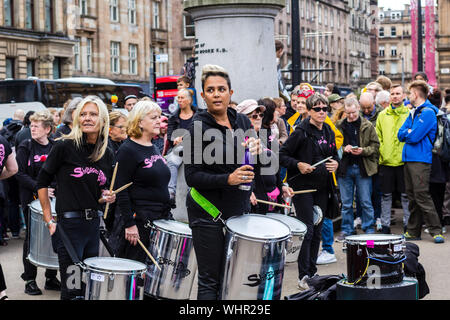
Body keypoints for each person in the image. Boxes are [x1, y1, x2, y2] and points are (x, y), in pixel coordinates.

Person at [184, 64, 262, 300]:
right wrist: (228, 179)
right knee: (211, 280)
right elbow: (192, 177)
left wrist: (258, 151)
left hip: (238, 209)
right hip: (207, 213)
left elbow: (250, 163)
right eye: (210, 90)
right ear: (203, 95)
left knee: (236, 277)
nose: (216, 94)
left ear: (231, 92)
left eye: (221, 89)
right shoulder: (196, 127)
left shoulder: (242, 121)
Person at [36, 95, 116, 300]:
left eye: (93, 114)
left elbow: (97, 193)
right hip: (69, 228)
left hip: (92, 228)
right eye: (83, 114)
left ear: (103, 119)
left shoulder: (106, 153)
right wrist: (48, 219)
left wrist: (106, 196)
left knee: (89, 285)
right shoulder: (65, 147)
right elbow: (42, 182)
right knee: (72, 288)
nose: (87, 118)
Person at [280, 93, 339, 290]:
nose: (322, 112)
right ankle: (303, 275)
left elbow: (334, 155)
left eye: (325, 109)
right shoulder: (300, 131)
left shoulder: (329, 130)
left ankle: (312, 272)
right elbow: (282, 155)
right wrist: (299, 164)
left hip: (322, 186)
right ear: (309, 110)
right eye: (317, 109)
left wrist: (335, 164)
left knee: (318, 230)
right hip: (303, 187)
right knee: (307, 230)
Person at [113, 100, 173, 263]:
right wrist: (129, 224)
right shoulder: (127, 149)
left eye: (159, 117)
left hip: (159, 217)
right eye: (154, 117)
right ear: (139, 121)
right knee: (135, 271)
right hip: (139, 220)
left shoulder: (152, 146)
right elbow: (121, 191)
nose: (158, 121)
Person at [16, 110, 60, 296]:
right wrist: (39, 188)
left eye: (36, 126)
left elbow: (60, 172)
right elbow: (19, 173)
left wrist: (56, 189)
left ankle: (51, 276)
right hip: (32, 199)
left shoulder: (55, 147)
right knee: (32, 240)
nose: (32, 129)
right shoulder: (26, 146)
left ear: (48, 129)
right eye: (31, 125)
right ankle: (30, 279)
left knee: (55, 237)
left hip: (55, 200)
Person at [398, 80, 445, 243]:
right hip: (410, 159)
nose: (408, 96)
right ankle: (413, 231)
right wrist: (408, 132)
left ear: (416, 94)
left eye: (410, 93)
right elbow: (400, 133)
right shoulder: (414, 112)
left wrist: (408, 132)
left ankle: (436, 230)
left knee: (421, 195)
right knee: (412, 196)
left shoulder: (427, 113)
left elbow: (414, 136)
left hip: (420, 159)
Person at [236, 99, 293, 214]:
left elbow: (273, 167)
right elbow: (235, 170)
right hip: (254, 204)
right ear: (242, 119)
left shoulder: (264, 136)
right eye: (253, 116)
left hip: (271, 201)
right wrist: (246, 191)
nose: (258, 118)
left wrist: (281, 186)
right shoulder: (238, 141)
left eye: (260, 115)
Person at [335, 97, 380, 241]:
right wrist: (343, 148)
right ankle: (347, 230)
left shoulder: (367, 125)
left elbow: (375, 146)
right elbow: (332, 147)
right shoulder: (339, 126)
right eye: (348, 113)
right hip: (344, 168)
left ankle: (368, 228)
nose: (351, 116)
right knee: (346, 203)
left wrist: (363, 150)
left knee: (366, 201)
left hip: (363, 167)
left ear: (358, 109)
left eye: (353, 112)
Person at [375, 84, 411, 234]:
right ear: (389, 96)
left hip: (404, 161)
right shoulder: (382, 115)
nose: (395, 96)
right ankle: (385, 226)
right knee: (386, 195)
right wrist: (383, 151)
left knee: (405, 195)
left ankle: (408, 225)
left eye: (398, 93)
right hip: (386, 161)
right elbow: (378, 137)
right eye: (392, 94)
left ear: (403, 96)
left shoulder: (410, 113)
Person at [167, 88, 197, 201]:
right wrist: (175, 139)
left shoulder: (199, 115)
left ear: (189, 100)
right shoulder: (173, 117)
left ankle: (194, 192)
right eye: (178, 98)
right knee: (172, 161)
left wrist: (183, 137)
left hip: (195, 147)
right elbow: (170, 136)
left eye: (182, 98)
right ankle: (171, 192)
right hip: (179, 148)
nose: (179, 100)